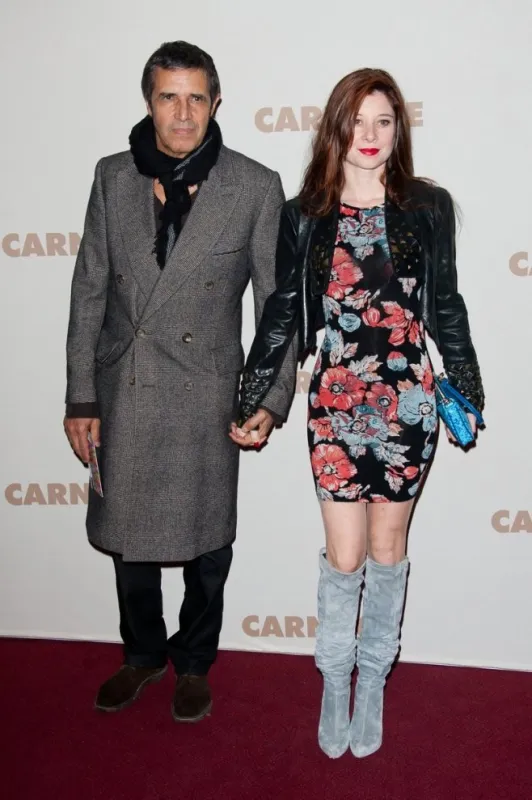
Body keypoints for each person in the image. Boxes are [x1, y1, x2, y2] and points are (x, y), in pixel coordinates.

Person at [232, 68, 484, 758]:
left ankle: (372, 680)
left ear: (398, 130)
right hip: (337, 399)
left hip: (407, 398)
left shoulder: (427, 207)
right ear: (336, 127)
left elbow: (448, 305)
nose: (370, 136)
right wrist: (253, 394)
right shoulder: (304, 212)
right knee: (343, 557)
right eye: (358, 121)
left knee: (386, 550)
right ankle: (332, 677)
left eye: (384, 121)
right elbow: (284, 310)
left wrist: (464, 382)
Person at [64, 40, 296, 723]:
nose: (184, 113)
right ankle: (140, 655)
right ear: (149, 103)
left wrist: (268, 399)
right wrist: (81, 394)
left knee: (205, 544)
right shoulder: (111, 178)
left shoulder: (255, 185)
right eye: (170, 97)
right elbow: (88, 293)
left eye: (197, 97)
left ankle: (194, 662)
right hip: (124, 389)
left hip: (205, 395)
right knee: (129, 539)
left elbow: (277, 307)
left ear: (216, 102)